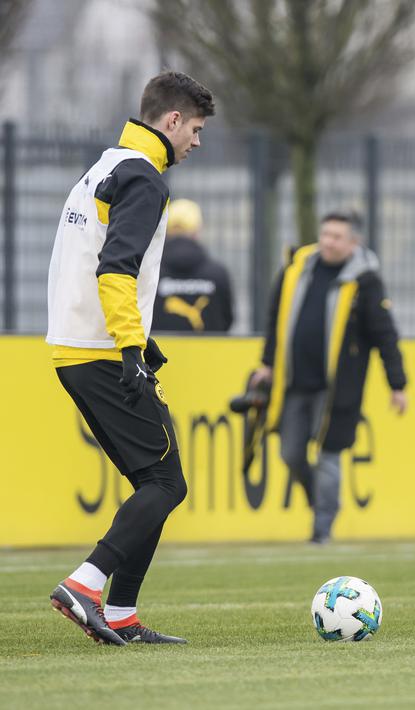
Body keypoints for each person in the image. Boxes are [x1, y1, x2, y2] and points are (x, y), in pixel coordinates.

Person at [45, 71, 214, 645]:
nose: (197, 141)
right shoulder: (143, 177)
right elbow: (115, 268)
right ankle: (86, 585)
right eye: (194, 128)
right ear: (171, 121)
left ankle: (119, 614)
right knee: (166, 482)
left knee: (155, 480)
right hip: (101, 352)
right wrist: (131, 351)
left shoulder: (105, 166)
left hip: (75, 348)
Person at [253, 211, 407, 544]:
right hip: (293, 383)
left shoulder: (365, 281)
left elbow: (385, 335)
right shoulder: (296, 268)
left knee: (328, 456)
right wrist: (267, 363)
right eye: (325, 234)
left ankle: (322, 528)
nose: (328, 241)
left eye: (337, 236)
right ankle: (317, 500)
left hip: (337, 389)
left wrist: (397, 384)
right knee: (290, 453)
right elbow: (274, 317)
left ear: (354, 242)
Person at [152, 198, 235, 333]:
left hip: (158, 353)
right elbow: (227, 320)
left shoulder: (151, 272)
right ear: (197, 231)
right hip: (210, 352)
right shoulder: (218, 273)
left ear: (166, 231)